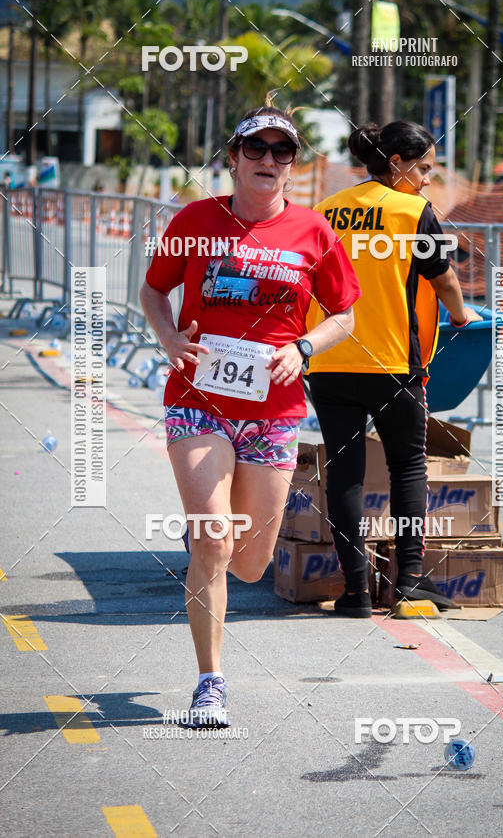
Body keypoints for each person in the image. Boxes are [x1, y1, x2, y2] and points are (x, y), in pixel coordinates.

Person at [140, 99, 360, 725]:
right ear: (233, 158)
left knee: (251, 562)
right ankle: (210, 680)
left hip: (274, 409)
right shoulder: (195, 219)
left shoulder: (313, 232)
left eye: (281, 151)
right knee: (214, 544)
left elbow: (345, 314)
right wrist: (169, 338)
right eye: (255, 149)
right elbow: (154, 289)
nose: (268, 160)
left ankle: (208, 530)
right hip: (197, 399)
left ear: (292, 165)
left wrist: (303, 347)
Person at [307, 120, 481, 618]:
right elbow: (444, 279)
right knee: (407, 466)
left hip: (328, 360)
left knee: (345, 472)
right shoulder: (412, 211)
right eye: (423, 168)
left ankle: (355, 593)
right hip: (391, 364)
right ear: (398, 164)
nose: (428, 179)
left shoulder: (325, 210)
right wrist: (461, 314)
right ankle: (407, 583)